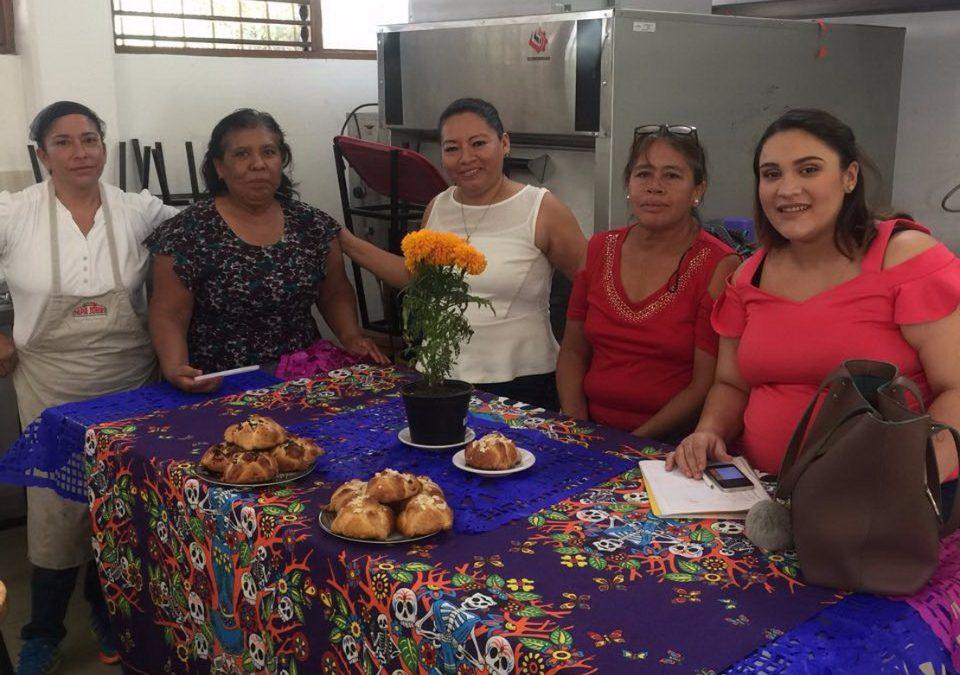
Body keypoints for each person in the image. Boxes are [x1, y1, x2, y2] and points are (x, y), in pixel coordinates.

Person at [668, 109, 960, 489]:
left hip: (889, 504)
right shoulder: (747, 276)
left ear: (849, 177)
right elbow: (731, 384)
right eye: (772, 174)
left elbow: (955, 389)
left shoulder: (905, 257)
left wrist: (912, 477)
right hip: (766, 494)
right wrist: (708, 431)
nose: (787, 189)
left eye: (808, 170)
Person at [0, 101, 179, 673]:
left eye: (90, 139)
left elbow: (203, 234)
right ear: (41, 153)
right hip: (49, 381)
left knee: (115, 503)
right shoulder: (14, 212)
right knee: (56, 506)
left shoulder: (137, 209)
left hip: (130, 381)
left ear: (104, 145)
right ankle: (42, 630)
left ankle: (109, 612)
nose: (80, 152)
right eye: (63, 142)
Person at [338, 98, 586, 410]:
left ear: (504, 143)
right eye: (452, 148)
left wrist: (580, 362)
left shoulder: (542, 208)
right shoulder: (438, 206)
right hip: (439, 375)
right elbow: (415, 276)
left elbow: (591, 285)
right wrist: (344, 240)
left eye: (479, 143)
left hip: (522, 380)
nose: (466, 158)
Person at [147, 109, 386, 393]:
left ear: (281, 160)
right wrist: (175, 366)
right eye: (241, 154)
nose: (258, 164)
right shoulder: (186, 233)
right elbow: (168, 314)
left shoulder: (311, 224)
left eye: (269, 152)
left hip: (302, 377)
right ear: (219, 167)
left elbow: (334, 291)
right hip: (219, 383)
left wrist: (351, 336)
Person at [557, 125, 738, 441]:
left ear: (698, 190)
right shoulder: (599, 249)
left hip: (671, 444)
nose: (655, 187)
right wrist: (577, 425)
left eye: (671, 175)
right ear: (628, 184)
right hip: (588, 433)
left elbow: (704, 384)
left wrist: (632, 444)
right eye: (643, 174)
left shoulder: (718, 265)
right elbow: (573, 351)